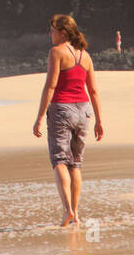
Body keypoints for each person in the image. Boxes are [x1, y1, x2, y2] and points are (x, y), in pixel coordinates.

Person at [33, 14, 104, 227]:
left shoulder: (56, 52)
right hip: (84, 111)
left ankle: (67, 211)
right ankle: (77, 214)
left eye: (52, 29)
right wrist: (99, 121)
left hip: (62, 110)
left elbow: (51, 86)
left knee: (59, 161)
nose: (50, 33)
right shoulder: (85, 56)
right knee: (76, 164)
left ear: (62, 32)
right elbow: (93, 90)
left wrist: (38, 117)